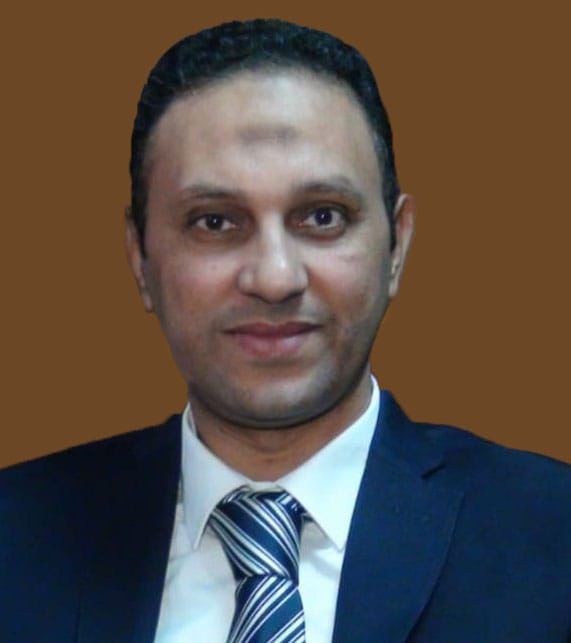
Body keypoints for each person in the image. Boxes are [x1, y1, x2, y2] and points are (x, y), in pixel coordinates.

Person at [1, 18, 570, 643]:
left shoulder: (552, 534)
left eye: (322, 216)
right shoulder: (17, 536)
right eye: (215, 222)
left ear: (397, 246)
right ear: (140, 258)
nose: (274, 279)